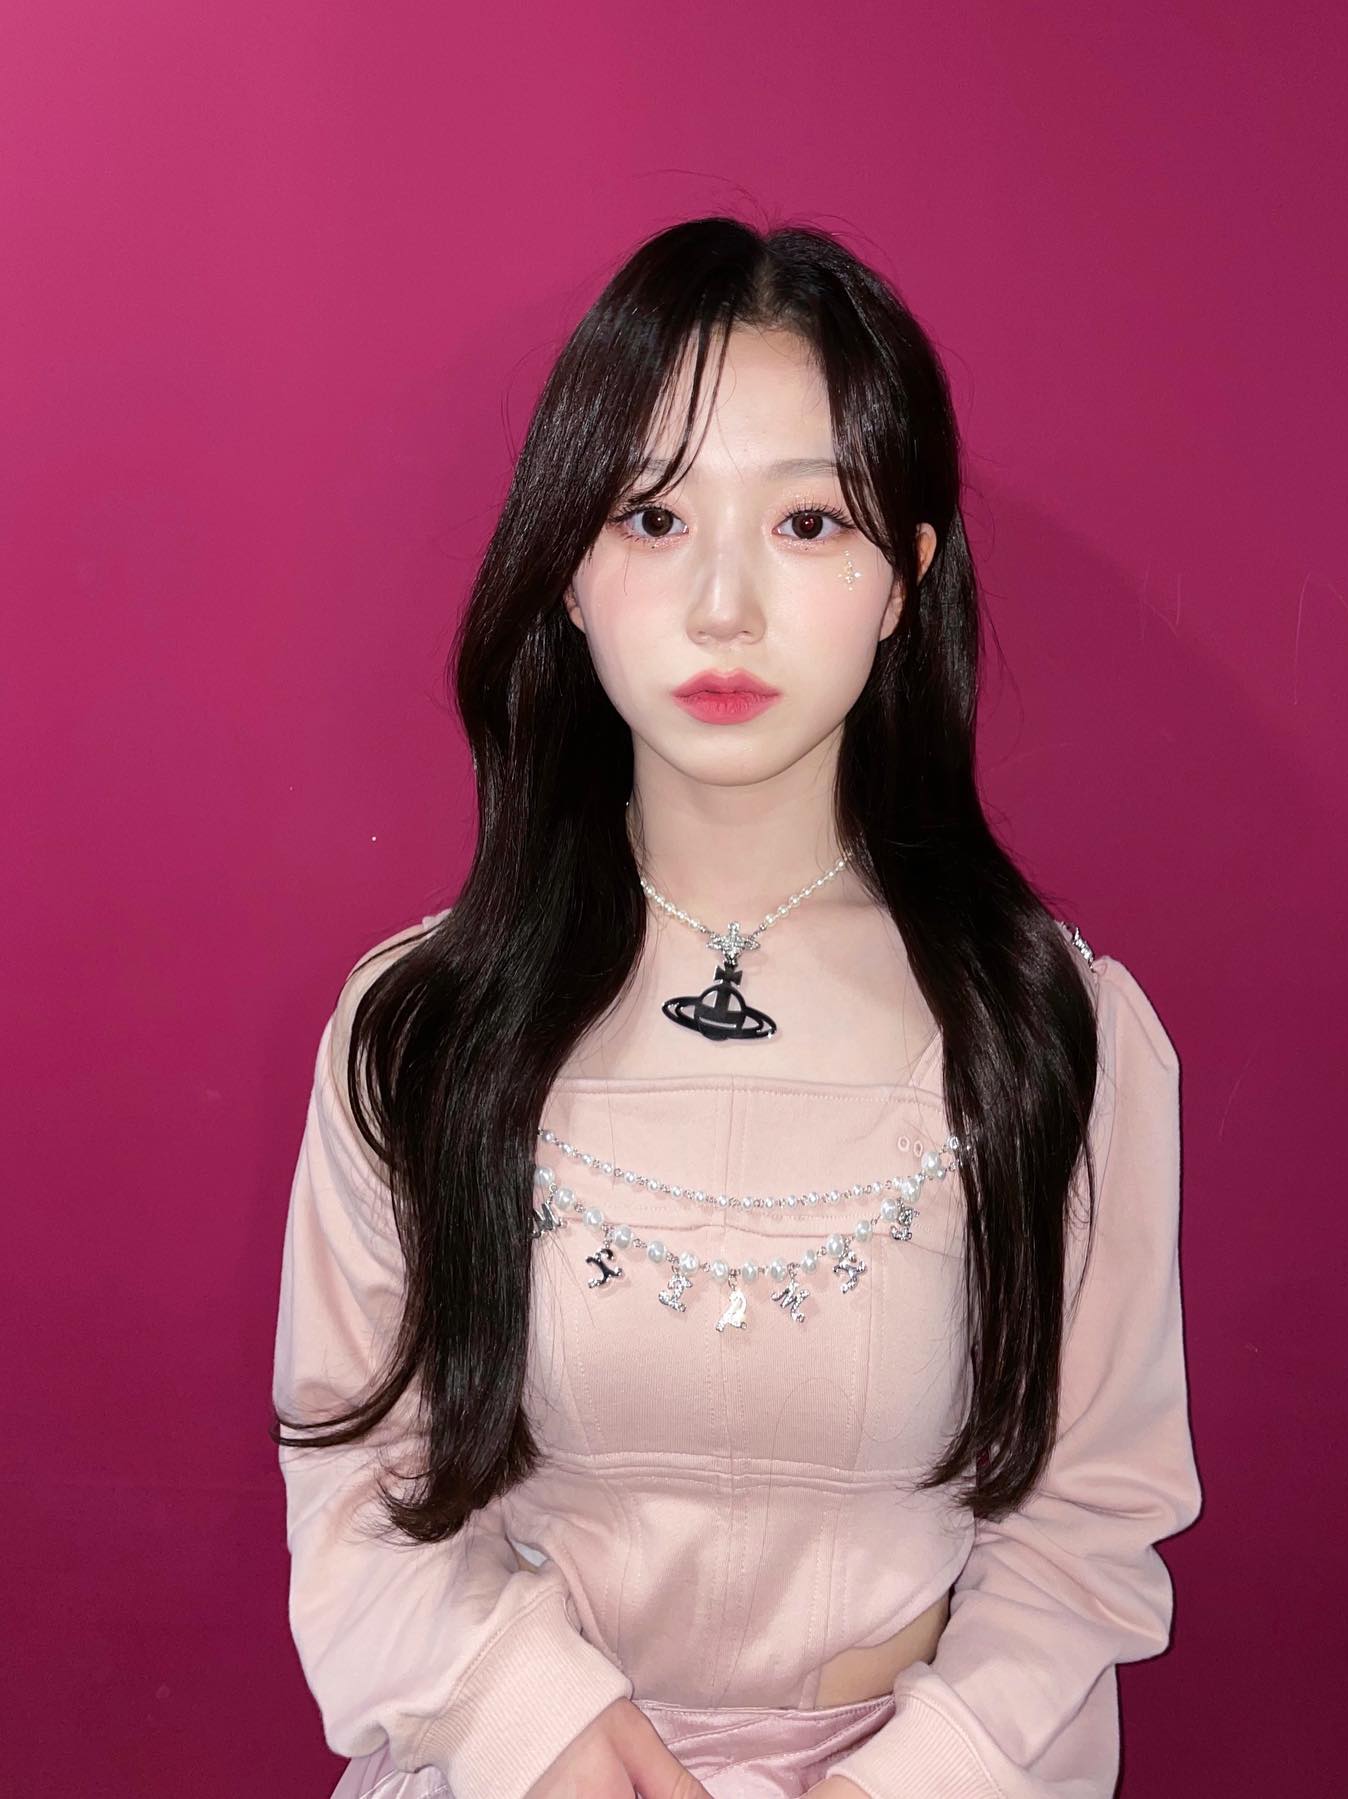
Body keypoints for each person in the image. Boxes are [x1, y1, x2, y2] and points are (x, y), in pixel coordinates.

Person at [271, 215, 1203, 1799]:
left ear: (905, 580)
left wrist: (905, 1782)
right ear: (569, 569)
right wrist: (534, 1727)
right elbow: (358, 1480)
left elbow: (1088, 1525)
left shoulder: (1055, 1031)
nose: (722, 607)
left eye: (808, 523)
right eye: (653, 516)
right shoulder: (419, 1028)